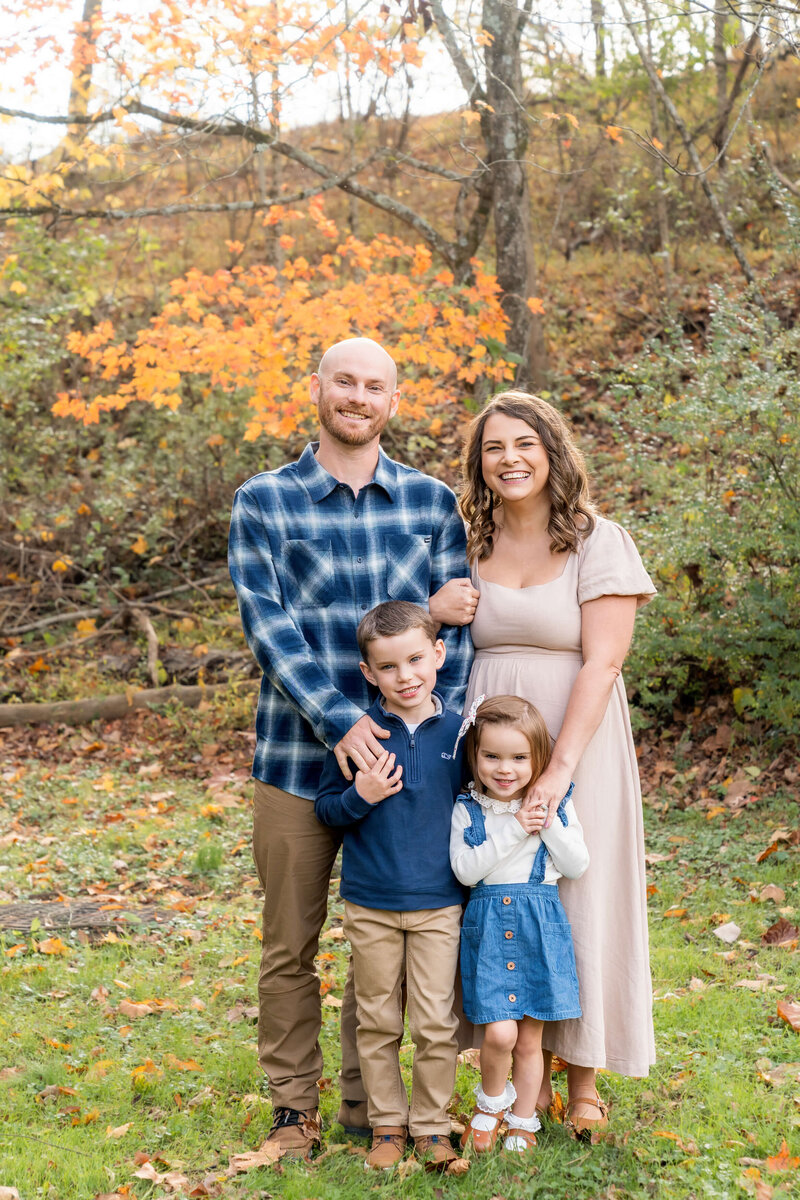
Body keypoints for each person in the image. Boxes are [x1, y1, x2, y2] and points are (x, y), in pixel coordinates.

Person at [228, 338, 475, 1160]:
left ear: (393, 401)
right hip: (297, 762)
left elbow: (456, 640)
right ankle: (294, 1114)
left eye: (375, 386)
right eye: (345, 382)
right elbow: (270, 631)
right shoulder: (264, 501)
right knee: (290, 944)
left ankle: (372, 1109)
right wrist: (342, 720)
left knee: (385, 933)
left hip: (405, 771)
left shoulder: (432, 503)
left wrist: (437, 739)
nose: (358, 397)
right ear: (318, 389)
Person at [448, 390, 656, 1137]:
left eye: (524, 445)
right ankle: (499, 1069)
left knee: (578, 892)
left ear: (553, 453)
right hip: (488, 743)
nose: (509, 459)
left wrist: (560, 768)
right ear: (479, 462)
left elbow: (603, 663)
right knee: (495, 888)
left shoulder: (598, 540)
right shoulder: (467, 540)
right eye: (494, 447)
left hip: (579, 737)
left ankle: (586, 1077)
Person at [315, 601, 466, 1171]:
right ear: (368, 673)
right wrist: (363, 796)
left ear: (438, 655)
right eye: (389, 667)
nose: (405, 677)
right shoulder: (358, 736)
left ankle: (430, 1126)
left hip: (438, 903)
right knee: (376, 1019)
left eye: (415, 660)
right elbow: (328, 810)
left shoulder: (459, 732)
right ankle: (386, 1126)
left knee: (434, 1021)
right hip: (371, 903)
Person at [450, 695, 589, 1156]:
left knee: (530, 1038)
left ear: (538, 760)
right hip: (489, 929)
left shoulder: (557, 804)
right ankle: (490, 1104)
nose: (504, 768)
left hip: (538, 927)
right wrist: (514, 828)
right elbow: (467, 871)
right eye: (492, 756)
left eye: (518, 757)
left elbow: (576, 864)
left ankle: (523, 1119)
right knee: (499, 1032)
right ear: (475, 756)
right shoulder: (469, 810)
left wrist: (545, 819)